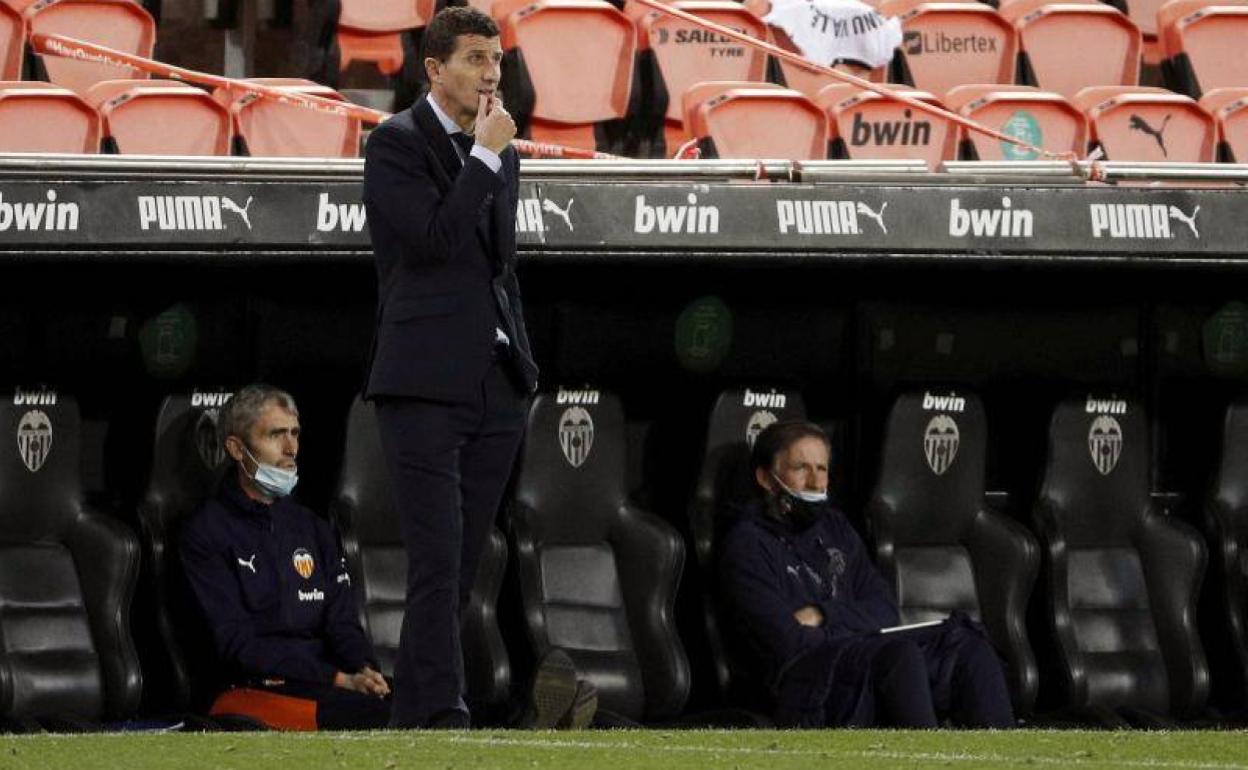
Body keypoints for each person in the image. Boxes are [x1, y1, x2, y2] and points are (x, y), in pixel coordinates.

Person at [360, 6, 538, 729]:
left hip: (494, 383)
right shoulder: (395, 145)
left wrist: (521, 360)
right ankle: (441, 713)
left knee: (465, 566)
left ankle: (420, 709)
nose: (491, 74)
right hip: (422, 379)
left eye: (496, 60)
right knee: (437, 561)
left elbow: (500, 270)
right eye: (474, 59)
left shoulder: (502, 152)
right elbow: (434, 242)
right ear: (433, 69)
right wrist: (486, 157)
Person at [720, 420, 1015, 728]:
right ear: (767, 478)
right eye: (800, 468)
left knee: (967, 647)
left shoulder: (836, 527)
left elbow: (885, 611)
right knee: (899, 657)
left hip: (864, 654)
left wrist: (825, 614)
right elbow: (788, 642)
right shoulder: (747, 544)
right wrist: (857, 627)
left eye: (821, 469)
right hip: (805, 680)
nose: (815, 482)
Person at [181, 384, 391, 731]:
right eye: (276, 435)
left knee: (429, 702)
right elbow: (237, 645)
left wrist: (365, 670)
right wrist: (336, 679)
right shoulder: (206, 533)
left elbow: (342, 622)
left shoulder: (313, 527)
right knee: (376, 717)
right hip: (249, 688)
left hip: (328, 682)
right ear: (236, 448)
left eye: (294, 434)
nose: (291, 448)